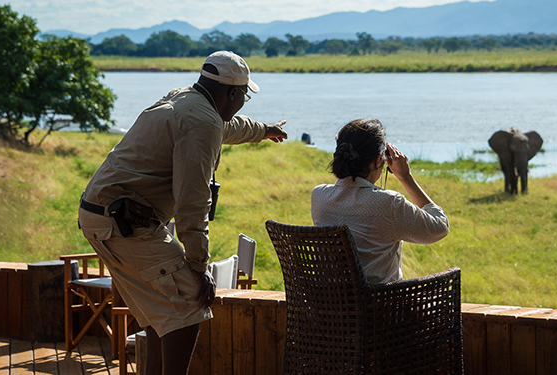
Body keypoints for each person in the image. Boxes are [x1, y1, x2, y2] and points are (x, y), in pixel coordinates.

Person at [77, 51, 287, 375]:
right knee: (189, 303)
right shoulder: (201, 123)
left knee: (162, 315)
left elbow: (226, 126)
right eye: (244, 95)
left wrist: (264, 129)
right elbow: (192, 203)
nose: (244, 101)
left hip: (104, 215)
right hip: (124, 223)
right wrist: (199, 267)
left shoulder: (187, 99)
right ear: (231, 93)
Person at [311, 118, 449, 284]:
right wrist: (405, 177)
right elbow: (439, 227)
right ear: (378, 160)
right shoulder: (388, 203)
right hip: (380, 307)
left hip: (331, 305)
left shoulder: (319, 196)